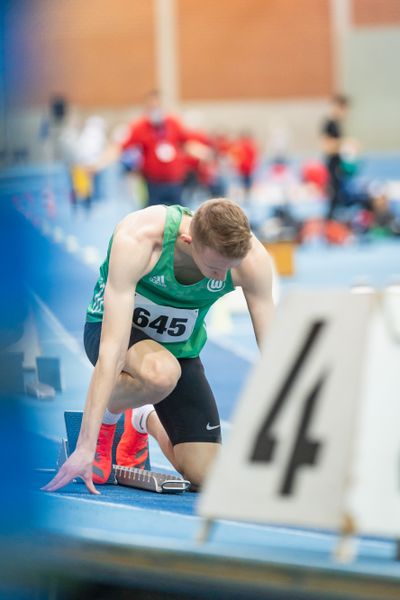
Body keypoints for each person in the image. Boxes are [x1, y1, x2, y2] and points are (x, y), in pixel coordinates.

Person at [42, 198, 275, 494]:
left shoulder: (251, 260)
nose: (223, 276)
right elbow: (112, 349)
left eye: (232, 267)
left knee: (207, 476)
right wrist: (86, 446)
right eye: (216, 268)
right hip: (113, 330)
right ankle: (111, 422)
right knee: (160, 373)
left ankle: (141, 418)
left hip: (178, 348)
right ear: (188, 241)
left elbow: (273, 352)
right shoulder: (139, 238)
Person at [94, 90, 209, 207]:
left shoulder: (173, 123)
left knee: (180, 216)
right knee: (153, 217)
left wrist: (203, 153)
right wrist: (99, 164)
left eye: (158, 106)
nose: (155, 111)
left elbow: (188, 143)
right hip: (153, 183)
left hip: (175, 182)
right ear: (146, 108)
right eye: (151, 107)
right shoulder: (139, 127)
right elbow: (119, 148)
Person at [320, 94, 350, 221]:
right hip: (332, 165)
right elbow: (326, 147)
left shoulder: (337, 124)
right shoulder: (329, 124)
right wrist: (346, 144)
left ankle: (334, 221)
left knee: (339, 196)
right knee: (334, 196)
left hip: (338, 164)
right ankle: (330, 222)